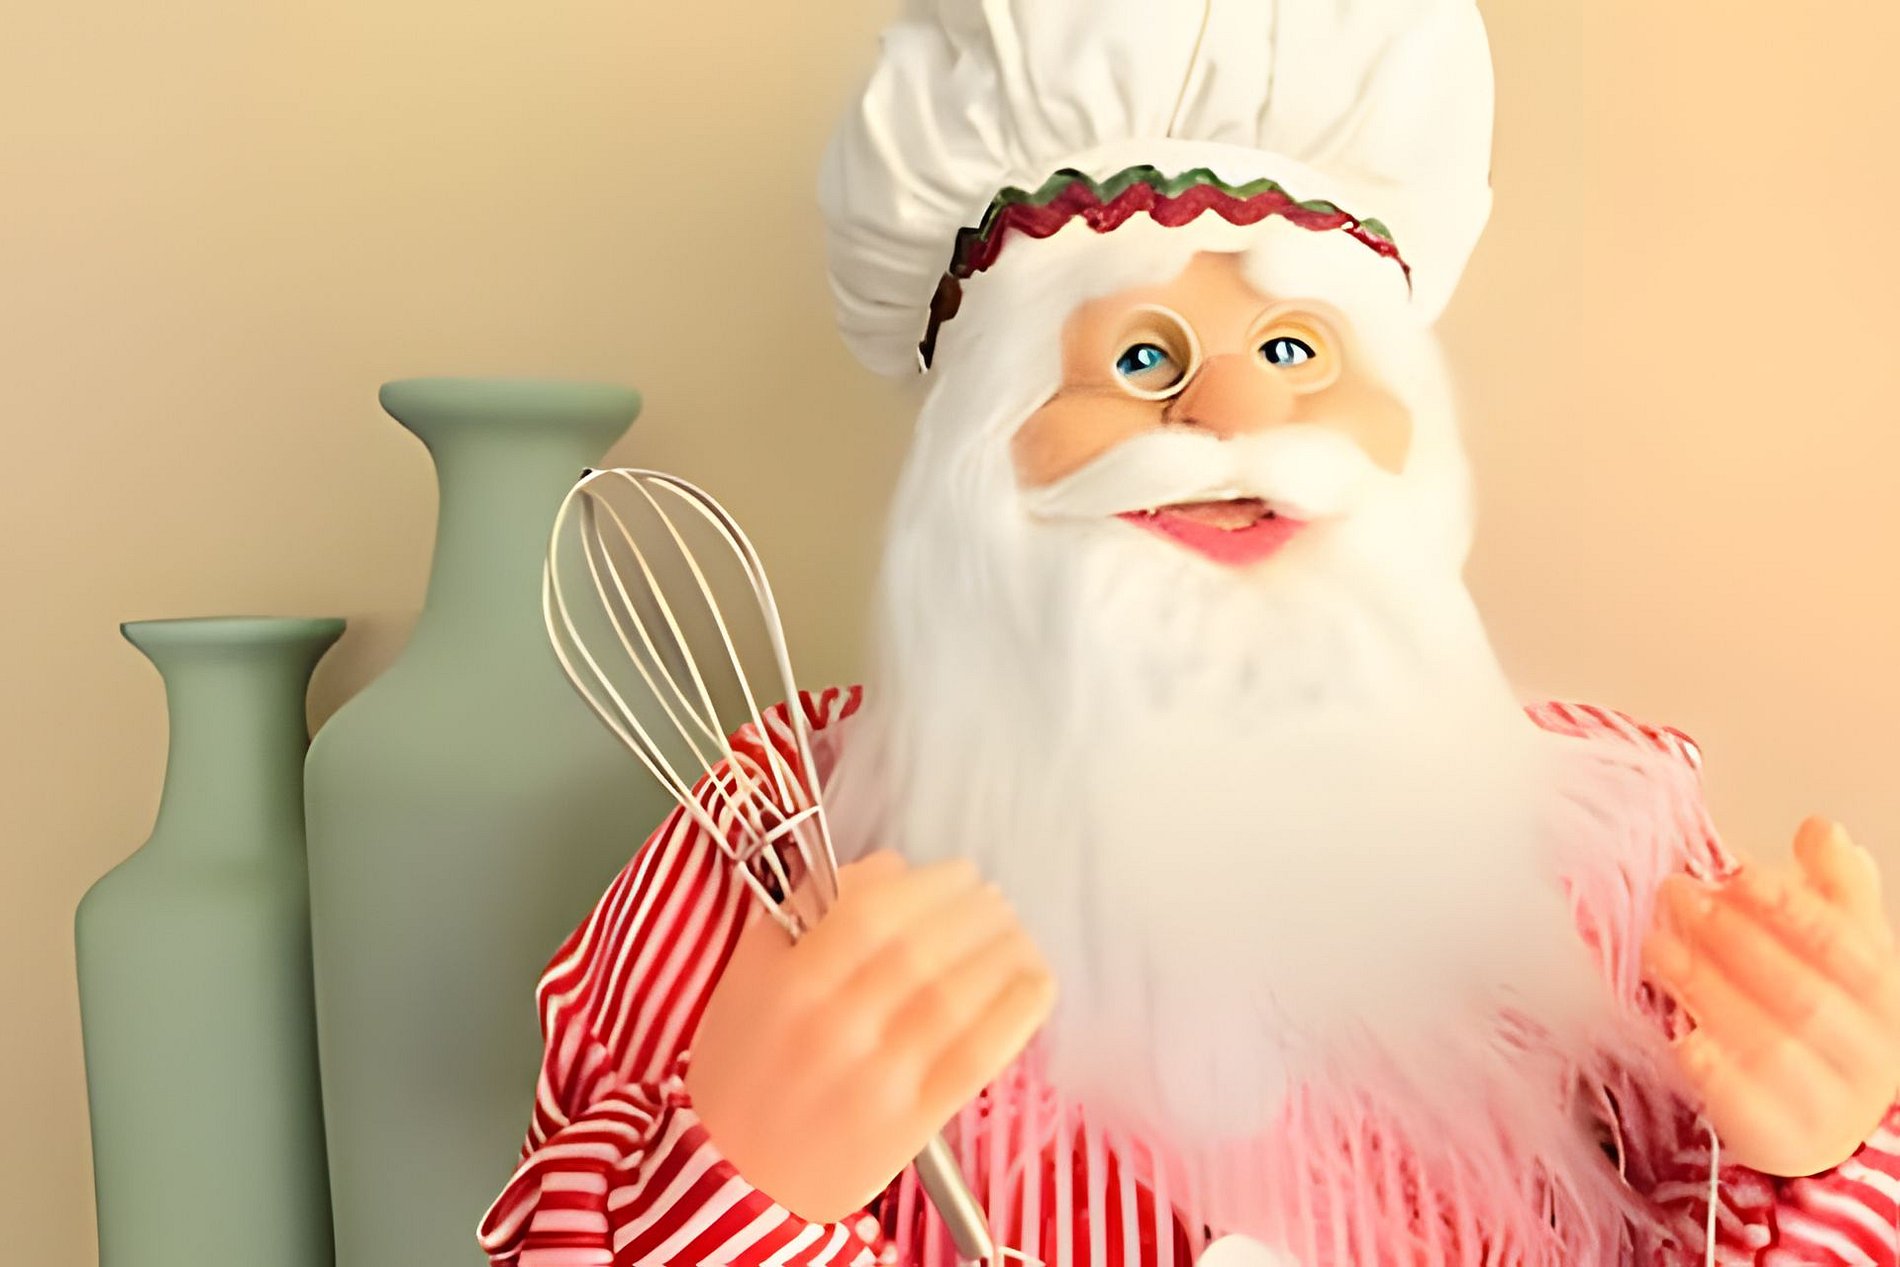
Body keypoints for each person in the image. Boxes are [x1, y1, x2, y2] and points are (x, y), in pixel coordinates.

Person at [478, 1, 1900, 1262]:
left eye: (1294, 351)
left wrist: (1817, 1166)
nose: (1233, 416)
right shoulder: (777, 836)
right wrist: (733, 1191)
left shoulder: (1621, 853)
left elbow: (1710, 1212)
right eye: (1142, 357)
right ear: (977, 447)